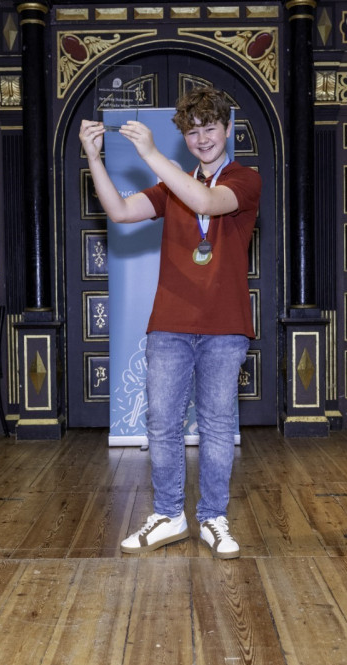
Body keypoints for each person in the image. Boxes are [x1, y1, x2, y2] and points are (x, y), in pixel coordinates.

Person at [79, 86, 261, 559]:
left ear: (227, 129)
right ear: (185, 137)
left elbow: (204, 202)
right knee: (162, 423)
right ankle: (168, 515)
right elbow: (119, 213)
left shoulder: (244, 180)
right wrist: (94, 158)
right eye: (193, 131)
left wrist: (151, 153)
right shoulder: (172, 185)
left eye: (210, 128)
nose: (202, 139)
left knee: (218, 426)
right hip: (170, 324)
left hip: (225, 325)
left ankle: (214, 517)